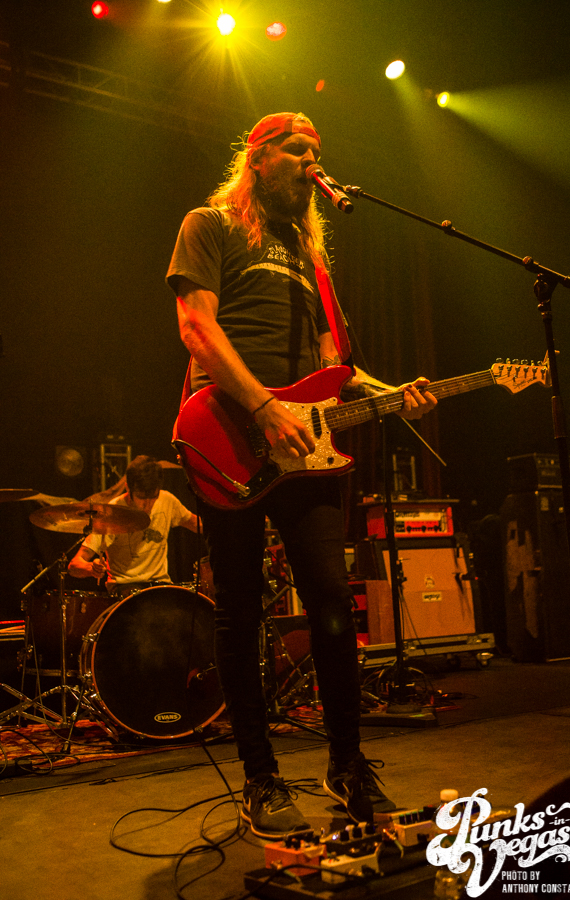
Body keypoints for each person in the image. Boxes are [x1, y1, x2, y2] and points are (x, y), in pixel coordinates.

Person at [166, 112, 437, 839]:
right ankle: (260, 777)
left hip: (304, 446)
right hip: (228, 432)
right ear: (258, 159)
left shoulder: (310, 258)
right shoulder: (209, 224)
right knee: (240, 608)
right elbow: (196, 328)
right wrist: (262, 408)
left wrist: (392, 394)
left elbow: (333, 369)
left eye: (318, 152)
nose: (312, 163)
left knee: (331, 602)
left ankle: (347, 764)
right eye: (297, 151)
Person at [68, 455, 200, 596]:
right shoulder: (113, 512)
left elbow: (197, 525)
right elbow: (74, 565)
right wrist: (90, 568)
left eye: (153, 497)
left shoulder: (167, 500)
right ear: (127, 488)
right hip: (125, 586)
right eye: (141, 497)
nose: (147, 504)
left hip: (160, 584)